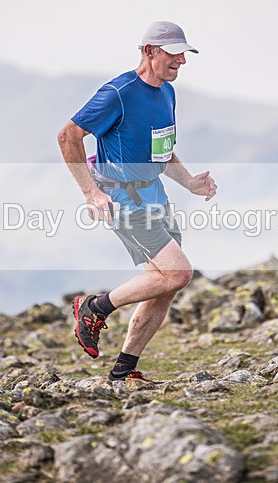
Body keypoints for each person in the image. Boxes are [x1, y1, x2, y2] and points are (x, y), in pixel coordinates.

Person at [56, 21, 217, 382]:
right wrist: (90, 192)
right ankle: (94, 307)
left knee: (164, 284)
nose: (182, 62)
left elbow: (162, 151)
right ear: (149, 51)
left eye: (184, 54)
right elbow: (68, 136)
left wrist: (189, 181)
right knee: (178, 273)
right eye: (174, 54)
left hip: (155, 196)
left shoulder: (167, 93)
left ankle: (123, 370)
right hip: (124, 200)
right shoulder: (118, 93)